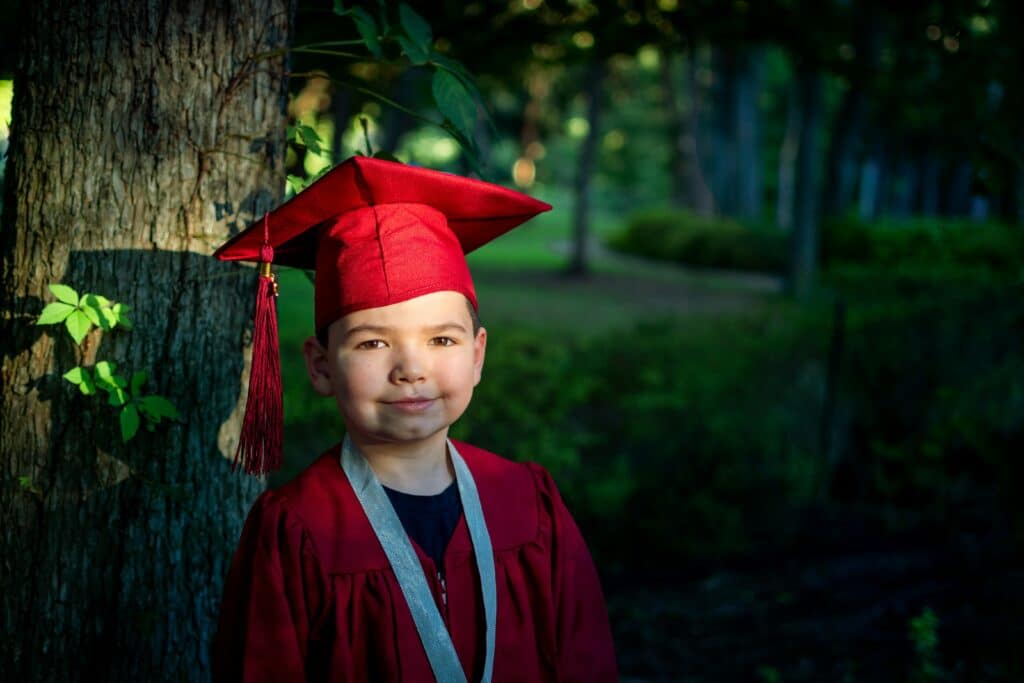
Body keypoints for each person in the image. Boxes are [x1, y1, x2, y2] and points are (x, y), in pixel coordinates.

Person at [211, 156, 617, 682]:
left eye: (442, 339)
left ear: (477, 355)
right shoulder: (295, 529)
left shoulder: (530, 504)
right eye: (373, 343)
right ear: (321, 366)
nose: (410, 369)